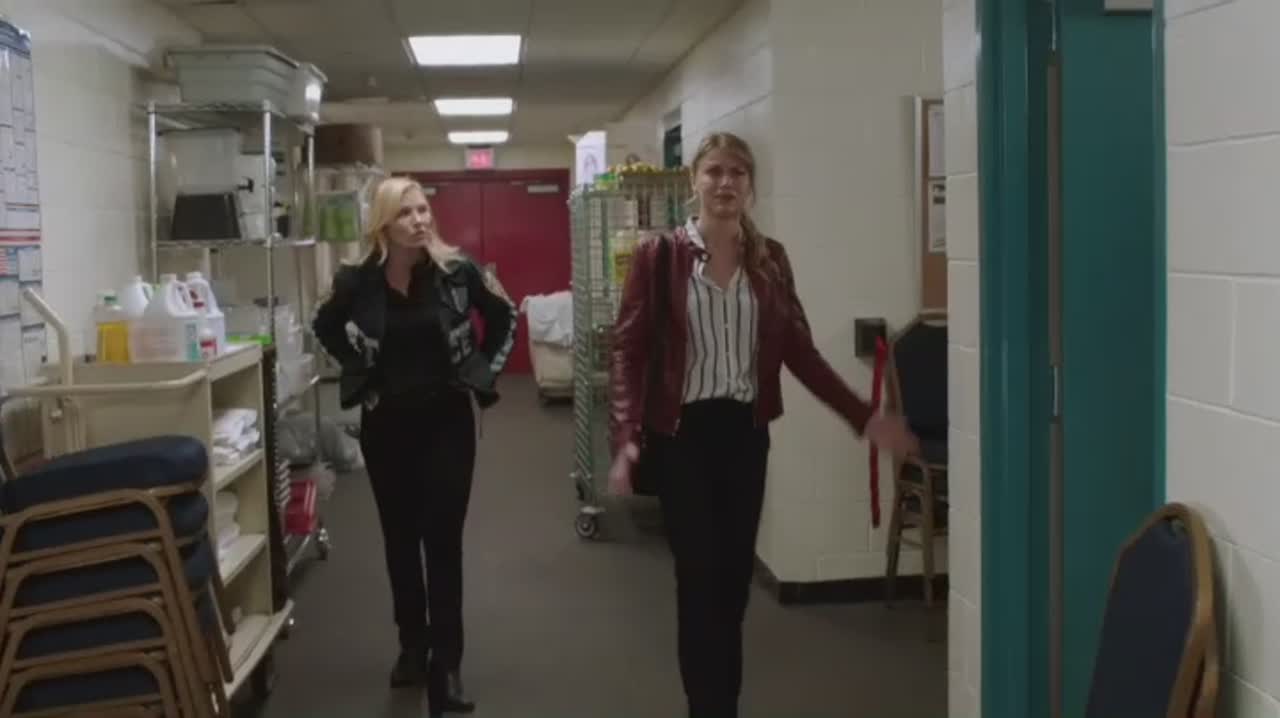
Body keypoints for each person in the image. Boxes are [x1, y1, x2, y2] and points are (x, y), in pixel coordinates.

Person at [607, 132, 920, 718]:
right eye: (714, 171)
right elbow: (628, 350)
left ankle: (722, 702)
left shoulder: (770, 259)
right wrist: (625, 437)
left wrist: (864, 418)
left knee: (731, 588)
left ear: (751, 185)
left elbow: (799, 351)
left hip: (745, 437)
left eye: (738, 172)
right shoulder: (660, 257)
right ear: (694, 180)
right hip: (682, 437)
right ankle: (708, 708)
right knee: (698, 583)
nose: (725, 182)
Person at [312, 176, 516, 716]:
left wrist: (482, 373)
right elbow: (323, 324)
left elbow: (505, 316)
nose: (420, 220)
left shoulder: (458, 272)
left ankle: (447, 665)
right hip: (387, 426)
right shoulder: (357, 281)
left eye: (424, 210)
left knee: (442, 543)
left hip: (447, 423)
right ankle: (412, 646)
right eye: (406, 213)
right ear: (384, 224)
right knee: (400, 541)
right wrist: (357, 370)